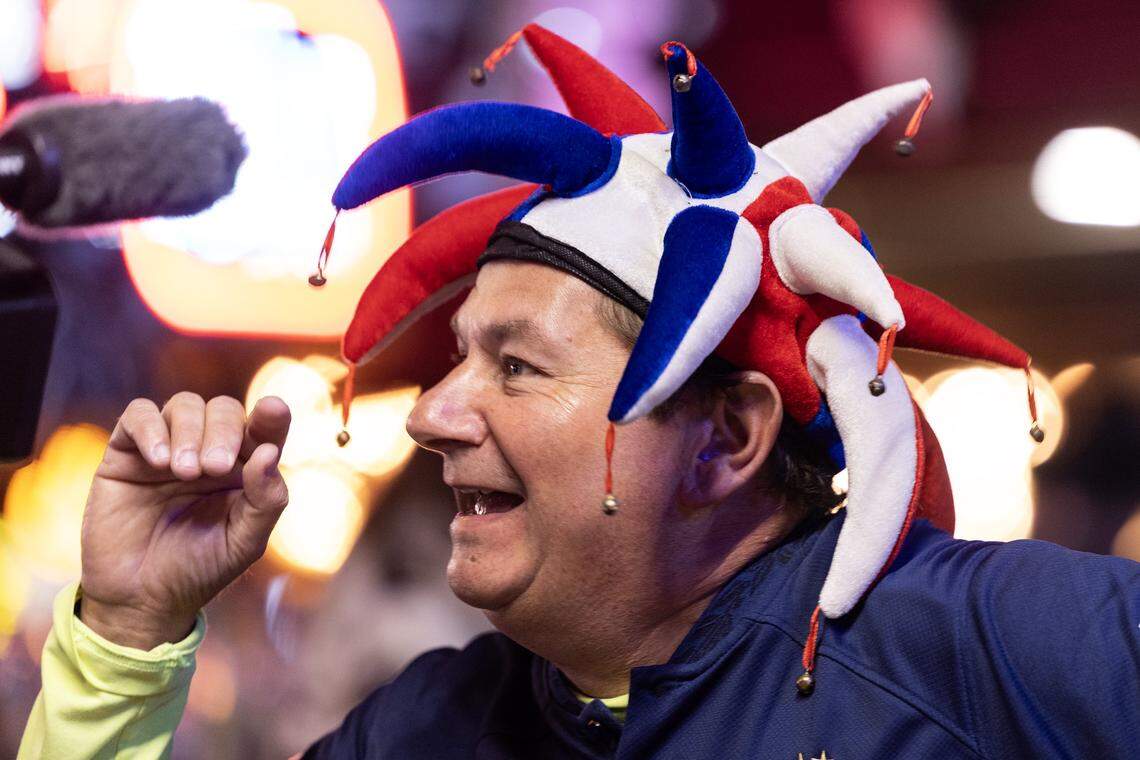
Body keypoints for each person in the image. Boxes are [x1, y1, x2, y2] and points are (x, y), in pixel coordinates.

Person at [19, 25, 1140, 760]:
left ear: (728, 437)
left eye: (515, 366)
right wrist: (124, 637)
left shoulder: (987, 652)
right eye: (457, 359)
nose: (432, 416)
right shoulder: (425, 732)